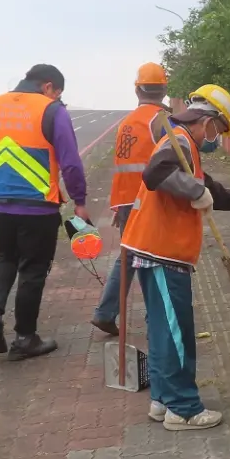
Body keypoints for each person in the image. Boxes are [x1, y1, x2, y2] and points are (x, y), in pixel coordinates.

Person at [120, 84, 230, 431]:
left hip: (158, 250)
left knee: (162, 329)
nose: (217, 138)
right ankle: (183, 408)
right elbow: (155, 173)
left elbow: (209, 187)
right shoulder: (181, 139)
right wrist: (194, 191)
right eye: (219, 129)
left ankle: (162, 399)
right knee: (176, 333)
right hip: (162, 250)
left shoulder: (187, 146)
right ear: (208, 120)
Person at [0, 64, 88, 361]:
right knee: (32, 270)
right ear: (49, 86)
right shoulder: (52, 111)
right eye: (58, 93)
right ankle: (25, 338)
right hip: (37, 205)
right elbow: (70, 162)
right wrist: (79, 200)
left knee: (5, 256)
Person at [90, 62, 171, 336]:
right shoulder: (161, 121)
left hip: (126, 201)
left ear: (137, 90)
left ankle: (105, 312)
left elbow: (123, 164)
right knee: (155, 257)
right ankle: (155, 322)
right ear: (164, 89)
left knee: (129, 256)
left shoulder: (127, 122)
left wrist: (119, 206)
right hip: (150, 201)